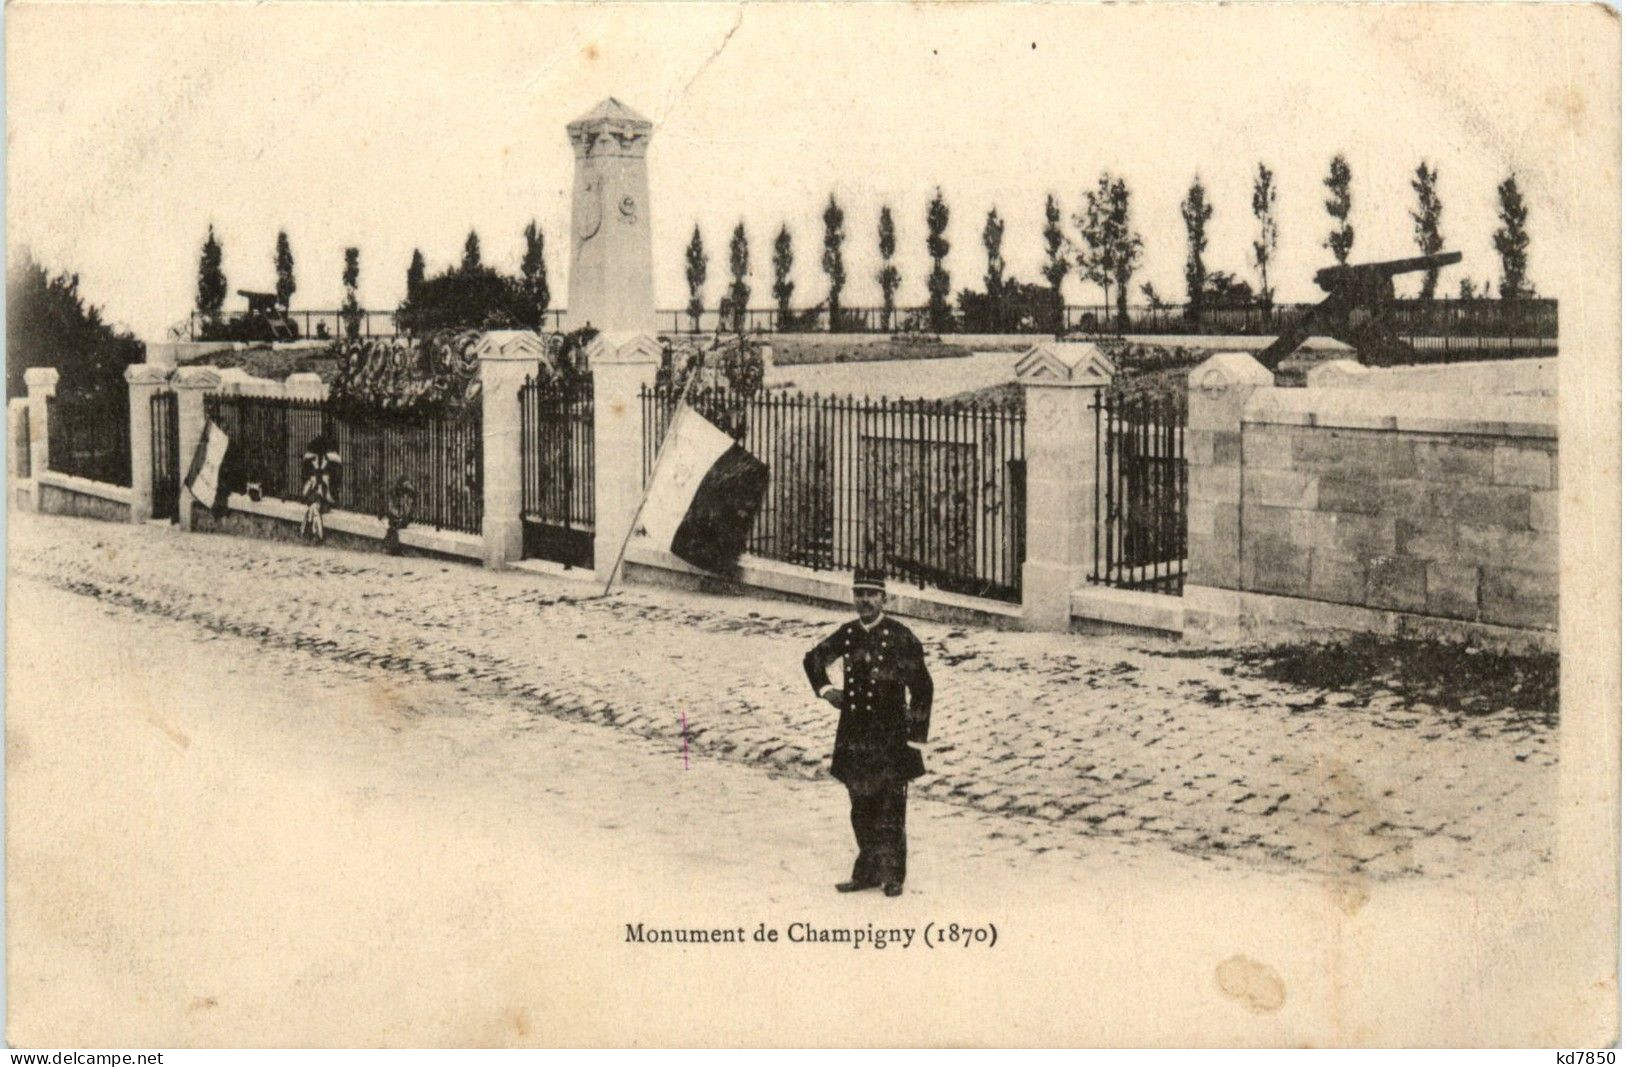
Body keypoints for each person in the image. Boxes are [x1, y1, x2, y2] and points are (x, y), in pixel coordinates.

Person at [802, 568, 933, 897]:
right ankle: (867, 871)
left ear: (884, 598)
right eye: (859, 593)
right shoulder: (848, 634)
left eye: (871, 594)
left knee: (890, 806)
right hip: (855, 734)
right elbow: (813, 660)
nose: (865, 600)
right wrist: (826, 690)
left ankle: (892, 875)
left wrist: (914, 737)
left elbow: (922, 688)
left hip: (889, 736)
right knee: (860, 805)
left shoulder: (902, 637)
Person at [300, 435, 341, 543]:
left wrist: (323, 483)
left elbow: (332, 489)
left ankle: (311, 532)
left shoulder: (331, 464)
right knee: (315, 506)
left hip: (325, 499)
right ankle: (316, 534)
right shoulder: (311, 464)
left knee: (314, 506)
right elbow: (305, 488)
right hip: (315, 497)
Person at [380, 476, 418, 556]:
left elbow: (409, 508)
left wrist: (403, 516)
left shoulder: (409, 494)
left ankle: (389, 546)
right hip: (395, 517)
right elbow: (392, 507)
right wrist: (397, 516)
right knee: (394, 527)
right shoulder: (395, 493)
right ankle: (393, 548)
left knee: (393, 528)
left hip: (403, 519)